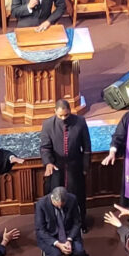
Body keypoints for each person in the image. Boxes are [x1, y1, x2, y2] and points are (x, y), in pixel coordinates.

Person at [40, 99, 91, 232]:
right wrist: (48, 163)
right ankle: (58, 224)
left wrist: (85, 166)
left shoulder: (80, 121)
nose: (63, 118)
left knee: (77, 196)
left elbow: (86, 147)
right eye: (60, 115)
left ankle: (80, 223)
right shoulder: (47, 124)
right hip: (57, 167)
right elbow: (45, 148)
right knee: (56, 196)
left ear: (70, 111)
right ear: (55, 112)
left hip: (75, 166)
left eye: (66, 115)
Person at [35, 186, 89, 256]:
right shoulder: (41, 204)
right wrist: (58, 244)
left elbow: (77, 222)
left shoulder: (72, 199)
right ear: (52, 198)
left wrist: (69, 239)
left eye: (62, 205)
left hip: (69, 234)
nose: (60, 208)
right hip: (51, 236)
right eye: (57, 205)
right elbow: (40, 230)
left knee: (80, 253)